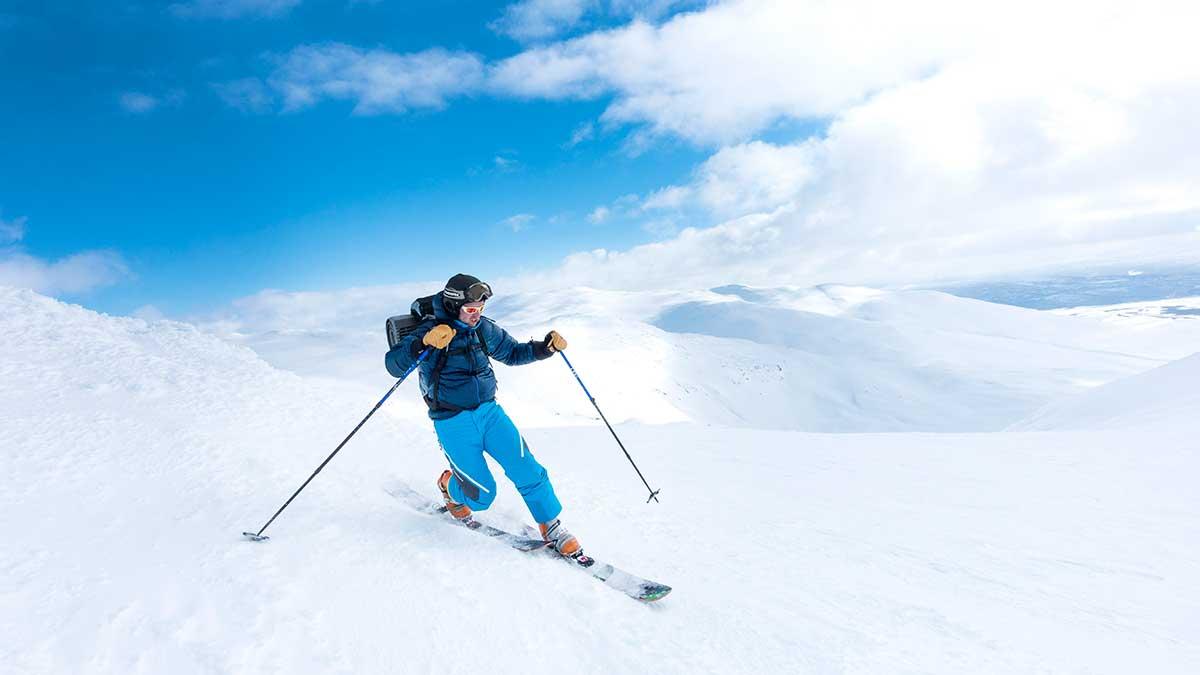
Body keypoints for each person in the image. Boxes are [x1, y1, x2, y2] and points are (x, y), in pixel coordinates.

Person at [384, 274, 581, 557]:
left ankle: (551, 527)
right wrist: (424, 342)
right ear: (454, 306)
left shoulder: (481, 329)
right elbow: (393, 364)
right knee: (481, 496)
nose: (477, 315)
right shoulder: (432, 331)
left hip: (490, 413)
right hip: (453, 422)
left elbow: (513, 352)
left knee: (527, 469)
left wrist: (544, 348)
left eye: (481, 308)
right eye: (471, 309)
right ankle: (448, 485)